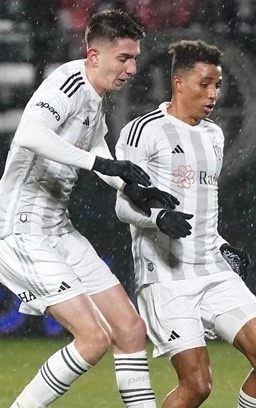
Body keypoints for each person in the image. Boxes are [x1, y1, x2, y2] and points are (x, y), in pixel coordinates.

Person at [0, 9, 172, 408]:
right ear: (94, 56)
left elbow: (94, 145)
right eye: (123, 58)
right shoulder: (68, 83)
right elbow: (29, 134)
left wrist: (129, 186)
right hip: (20, 229)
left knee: (130, 329)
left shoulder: (95, 96)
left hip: (58, 229)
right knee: (93, 338)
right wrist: (100, 165)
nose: (132, 69)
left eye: (134, 58)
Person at [114, 39, 256, 408]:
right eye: (204, 84)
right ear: (178, 83)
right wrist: (159, 217)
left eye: (218, 85)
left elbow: (202, 207)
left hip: (213, 269)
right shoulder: (142, 131)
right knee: (197, 386)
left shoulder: (214, 135)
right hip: (166, 278)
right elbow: (122, 207)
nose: (213, 94)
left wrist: (222, 246)